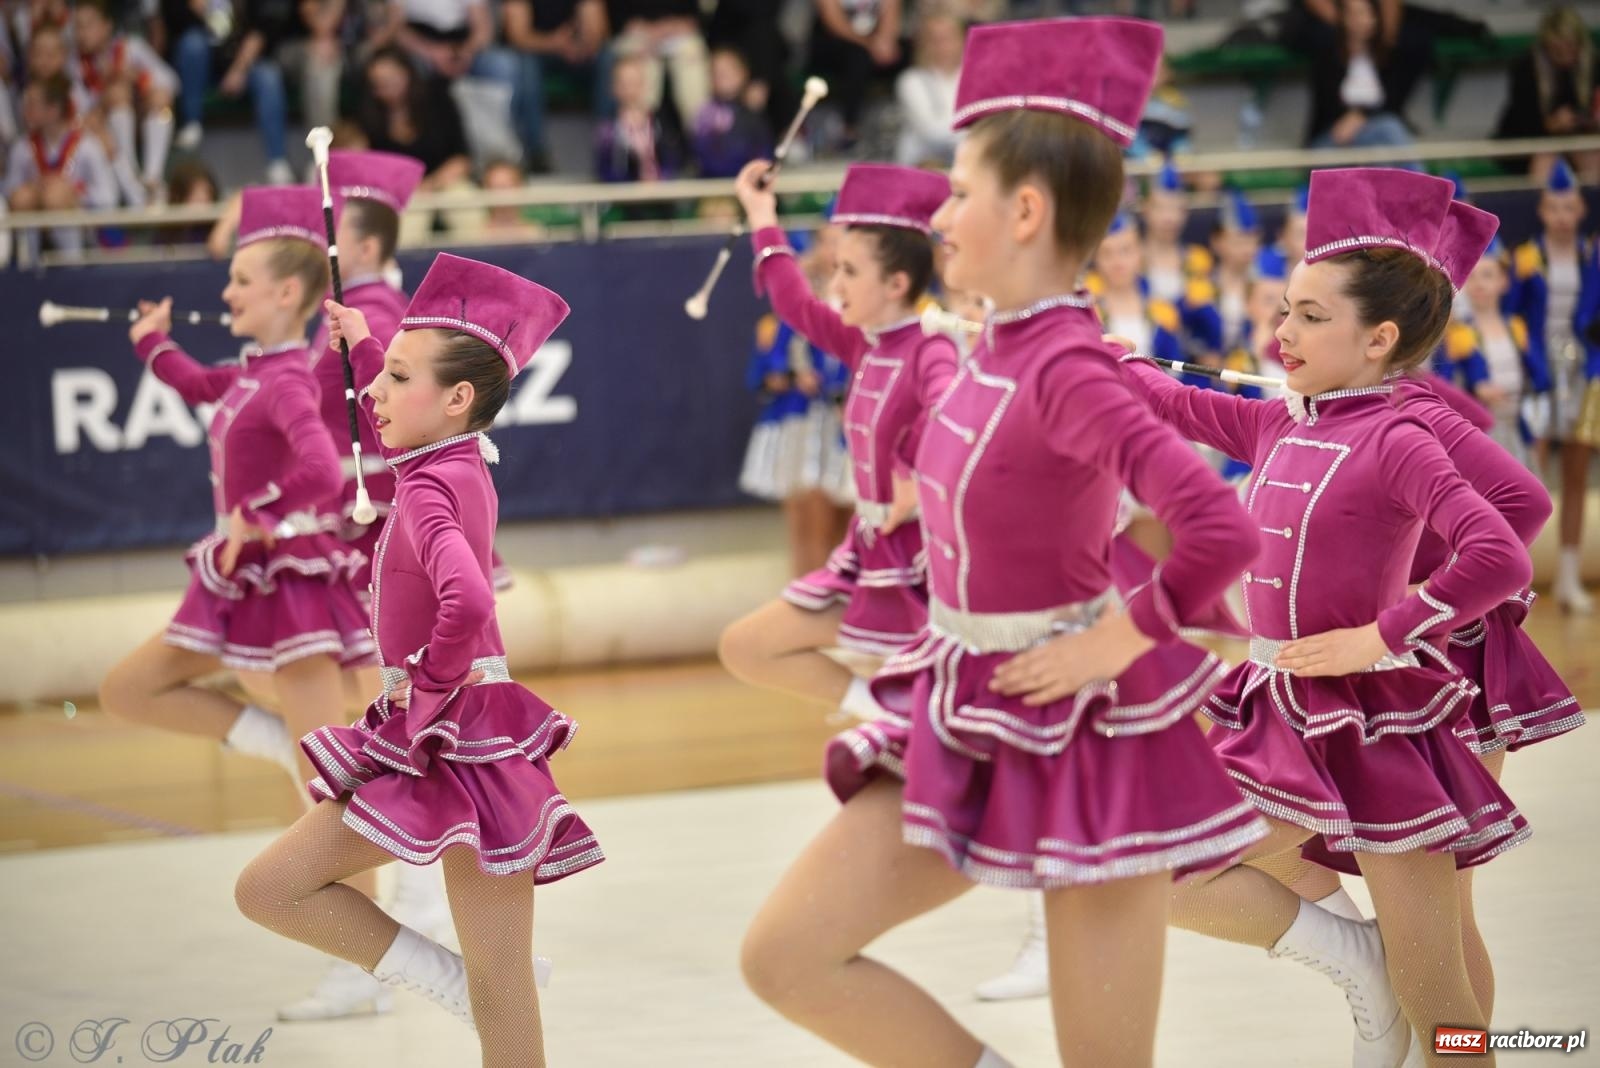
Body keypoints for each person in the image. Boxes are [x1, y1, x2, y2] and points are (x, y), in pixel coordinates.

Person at [739, 19, 1268, 1066]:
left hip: (1084, 728)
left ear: (1023, 212)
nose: (936, 215)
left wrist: (1118, 642)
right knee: (787, 955)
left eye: (956, 193)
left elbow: (1217, 525)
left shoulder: (1062, 365)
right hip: (959, 693)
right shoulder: (986, 344)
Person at [1120, 167, 1532, 1066]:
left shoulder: (1400, 436)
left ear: (1380, 337)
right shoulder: (1281, 422)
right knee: (1157, 866)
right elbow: (1173, 400)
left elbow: (1501, 553)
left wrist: (1384, 633)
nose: (1283, 332)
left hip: (1376, 724)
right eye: (1284, 312)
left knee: (1442, 999)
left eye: (1311, 316)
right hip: (1275, 701)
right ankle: (1351, 954)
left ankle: (1405, 996)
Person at [236, 253, 603, 1067]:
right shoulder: (450, 458)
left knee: (268, 889)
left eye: (395, 378)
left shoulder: (433, 487)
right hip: (479, 733)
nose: (371, 396)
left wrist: (426, 698)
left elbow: (468, 603)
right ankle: (453, 980)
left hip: (452, 732)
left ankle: (447, 979)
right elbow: (409, 410)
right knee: (499, 986)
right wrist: (371, 346)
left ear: (457, 399)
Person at [99, 186, 374, 817]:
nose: (226, 294)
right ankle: (278, 742)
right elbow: (195, 382)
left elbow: (324, 469)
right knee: (128, 690)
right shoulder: (250, 373)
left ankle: (397, 902)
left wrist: (260, 515)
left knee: (329, 794)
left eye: (240, 280)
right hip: (241, 571)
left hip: (289, 579)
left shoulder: (284, 384)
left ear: (285, 295)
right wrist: (152, 342)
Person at [719, 162, 957, 723]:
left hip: (926, 563)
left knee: (939, 738)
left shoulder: (933, 350)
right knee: (748, 646)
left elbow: (961, 431)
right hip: (872, 550)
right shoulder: (862, 343)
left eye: (849, 271)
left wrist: (921, 482)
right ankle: (888, 713)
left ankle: (912, 729)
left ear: (897, 284)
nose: (834, 284)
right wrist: (761, 215)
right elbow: (794, 302)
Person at [1507, 158, 1598, 612]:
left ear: (1580, 209)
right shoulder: (1526, 257)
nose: (1562, 216)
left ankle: (1567, 574)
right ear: (1542, 211)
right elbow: (1513, 315)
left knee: (1578, 472)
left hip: (1582, 369)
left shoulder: (1592, 253)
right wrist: (1530, 364)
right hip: (1538, 373)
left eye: (1569, 207)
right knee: (1533, 476)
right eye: (1553, 207)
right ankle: (1519, 577)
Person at [4, 72, 116, 264]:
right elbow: (8, 193)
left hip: (83, 229)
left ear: (53, 109)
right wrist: (35, 189)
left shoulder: (86, 146)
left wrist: (75, 193)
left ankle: (73, 265)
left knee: (56, 196)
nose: (25, 110)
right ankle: (28, 265)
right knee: (23, 197)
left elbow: (108, 196)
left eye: (32, 104)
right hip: (37, 225)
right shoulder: (22, 148)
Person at [1493, 4, 1599, 183]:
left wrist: (1588, 121)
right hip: (1534, 141)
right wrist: (1549, 125)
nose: (1565, 56)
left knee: (1592, 161)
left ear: (1581, 44)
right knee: (1543, 164)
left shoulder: (1595, 66)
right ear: (1546, 46)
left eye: (1570, 48)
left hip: (1582, 140)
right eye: (1557, 50)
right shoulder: (1526, 68)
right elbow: (1520, 121)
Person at [892, 12, 961, 167]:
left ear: (962, 40)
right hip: (920, 165)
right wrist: (972, 128)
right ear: (923, 43)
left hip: (965, 165)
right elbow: (932, 133)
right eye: (934, 39)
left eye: (947, 38)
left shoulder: (973, 77)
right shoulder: (911, 80)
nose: (942, 46)